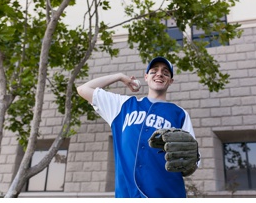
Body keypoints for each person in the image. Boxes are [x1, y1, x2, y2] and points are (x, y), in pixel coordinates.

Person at [76, 57, 197, 198]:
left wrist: (193, 158)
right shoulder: (123, 106)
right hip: (127, 195)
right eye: (154, 71)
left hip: (167, 194)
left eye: (165, 72)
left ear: (171, 81)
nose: (159, 74)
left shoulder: (179, 114)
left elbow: (192, 159)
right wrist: (120, 77)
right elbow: (83, 89)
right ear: (146, 77)